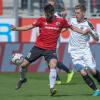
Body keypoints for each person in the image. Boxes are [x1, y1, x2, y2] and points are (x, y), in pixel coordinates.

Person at [11, 4, 89, 96]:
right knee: (23, 65)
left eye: (48, 15)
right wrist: (17, 28)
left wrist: (83, 32)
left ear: (52, 13)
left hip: (50, 50)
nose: (46, 16)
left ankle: (52, 88)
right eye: (45, 14)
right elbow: (29, 27)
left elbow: (72, 27)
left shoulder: (61, 21)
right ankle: (22, 79)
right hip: (38, 47)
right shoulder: (41, 20)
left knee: (53, 64)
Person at [68, 4, 100, 96]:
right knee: (82, 71)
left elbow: (97, 38)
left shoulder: (88, 24)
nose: (76, 15)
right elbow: (64, 25)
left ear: (83, 13)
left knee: (93, 71)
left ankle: (98, 79)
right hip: (74, 52)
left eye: (78, 13)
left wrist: (90, 32)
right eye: (75, 13)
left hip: (85, 51)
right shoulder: (71, 20)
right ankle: (96, 90)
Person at [48, 0, 74, 84]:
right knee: (49, 60)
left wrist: (56, 31)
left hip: (54, 40)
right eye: (49, 1)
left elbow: (65, 27)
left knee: (51, 60)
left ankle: (69, 72)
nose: (50, 3)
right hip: (48, 40)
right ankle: (57, 79)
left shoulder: (57, 15)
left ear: (54, 3)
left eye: (51, 2)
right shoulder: (48, 15)